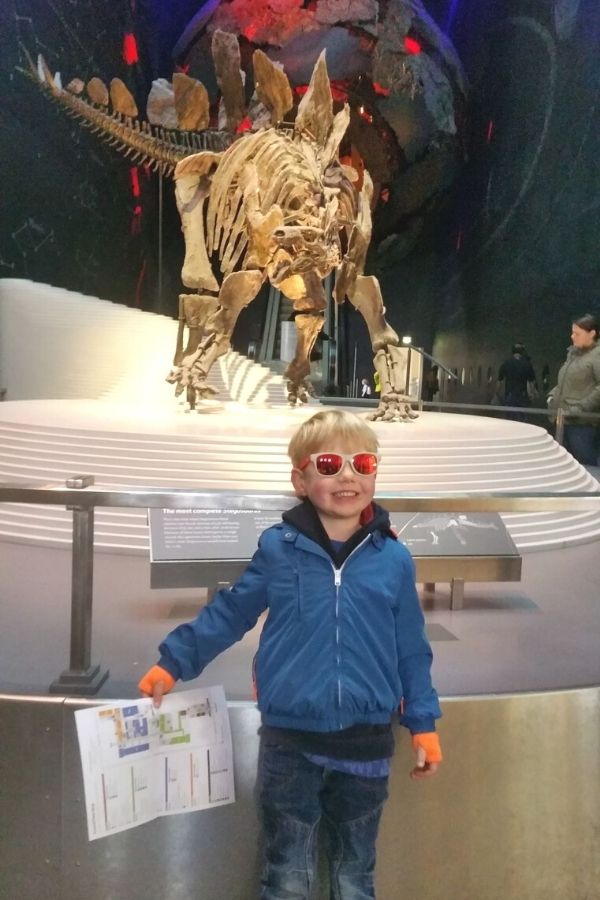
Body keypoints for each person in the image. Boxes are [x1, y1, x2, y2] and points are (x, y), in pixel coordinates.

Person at [138, 409, 442, 899]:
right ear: (300, 479)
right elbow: (232, 612)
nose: (348, 475)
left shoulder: (394, 558)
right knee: (286, 872)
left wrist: (423, 722)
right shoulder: (279, 549)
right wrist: (174, 661)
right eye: (328, 464)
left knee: (354, 873)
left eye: (362, 463)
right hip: (290, 742)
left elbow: (411, 646)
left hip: (366, 743)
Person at [547, 313, 600, 466]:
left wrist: (580, 408)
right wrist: (551, 396)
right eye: (572, 332)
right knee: (564, 467)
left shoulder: (597, 355)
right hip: (564, 420)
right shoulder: (573, 354)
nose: (572, 336)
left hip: (582, 424)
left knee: (585, 468)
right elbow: (564, 382)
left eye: (577, 333)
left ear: (592, 333)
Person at [496, 343, 538, 410]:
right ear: (522, 352)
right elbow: (532, 382)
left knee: (510, 418)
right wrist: (533, 394)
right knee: (521, 418)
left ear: (512, 351)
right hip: (522, 396)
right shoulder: (527, 364)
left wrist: (497, 393)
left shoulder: (506, 363)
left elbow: (499, 381)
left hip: (510, 395)